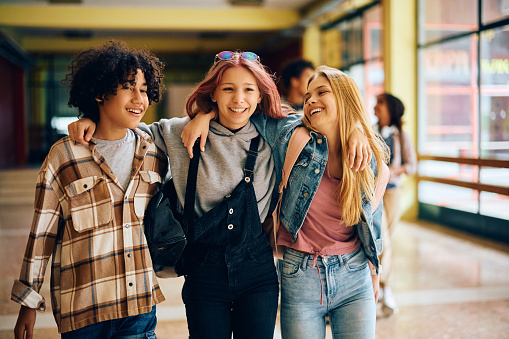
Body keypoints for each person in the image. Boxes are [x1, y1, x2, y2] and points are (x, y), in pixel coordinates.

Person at [68, 51, 371, 339]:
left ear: (260, 95)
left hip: (257, 272)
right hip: (203, 273)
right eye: (228, 89)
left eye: (249, 90)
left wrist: (357, 127)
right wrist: (91, 120)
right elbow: (126, 131)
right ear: (213, 93)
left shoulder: (275, 133)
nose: (239, 99)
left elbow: (323, 125)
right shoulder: (178, 132)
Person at [182, 65, 390, 339]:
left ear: (345, 99)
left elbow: (371, 220)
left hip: (354, 274)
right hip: (299, 273)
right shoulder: (290, 134)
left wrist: (374, 271)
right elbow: (245, 107)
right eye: (307, 96)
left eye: (321, 92)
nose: (311, 100)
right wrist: (204, 114)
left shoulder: (368, 157)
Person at [11, 40, 168, 338]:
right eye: (128, 87)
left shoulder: (154, 153)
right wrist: (28, 303)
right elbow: (42, 234)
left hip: (138, 306)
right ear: (99, 92)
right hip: (84, 309)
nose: (140, 98)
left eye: (144, 89)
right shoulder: (65, 155)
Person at [374, 93, 417, 316]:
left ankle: (381, 288)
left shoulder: (401, 136)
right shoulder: (369, 131)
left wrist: (392, 171)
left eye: (380, 103)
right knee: (385, 241)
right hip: (374, 194)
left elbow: (412, 165)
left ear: (391, 109)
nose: (375, 107)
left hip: (392, 193)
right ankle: (385, 288)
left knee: (386, 239)